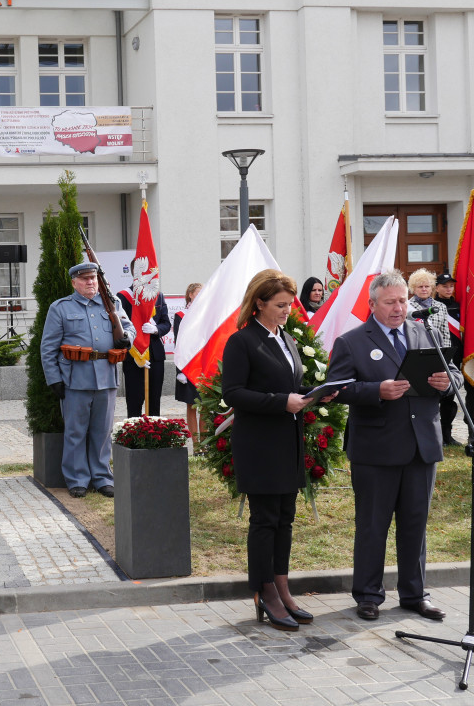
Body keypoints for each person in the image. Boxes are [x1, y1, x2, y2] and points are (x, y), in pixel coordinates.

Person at [327, 269, 457, 622]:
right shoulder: (352, 341)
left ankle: (415, 594)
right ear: (372, 304)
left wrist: (446, 383)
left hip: (421, 447)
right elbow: (335, 389)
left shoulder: (424, 331)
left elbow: (454, 374)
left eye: (402, 300)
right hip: (376, 449)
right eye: (391, 302)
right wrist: (375, 391)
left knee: (415, 524)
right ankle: (368, 595)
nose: (399, 308)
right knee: (373, 525)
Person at [222, 269, 321, 632]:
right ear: (259, 303)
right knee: (264, 520)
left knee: (285, 518)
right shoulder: (243, 341)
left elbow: (288, 383)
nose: (287, 310)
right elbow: (232, 393)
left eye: (290, 304)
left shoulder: (286, 339)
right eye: (280, 305)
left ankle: (282, 584)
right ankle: (265, 590)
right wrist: (283, 402)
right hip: (260, 445)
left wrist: (317, 393)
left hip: (287, 443)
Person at [40, 262, 134, 499]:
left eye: (93, 278)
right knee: (75, 432)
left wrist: (127, 339)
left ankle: (102, 477)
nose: (90, 282)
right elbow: (48, 347)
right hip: (75, 378)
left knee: (102, 432)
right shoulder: (60, 308)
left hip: (106, 375)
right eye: (84, 279)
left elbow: (128, 327)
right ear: (74, 283)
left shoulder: (112, 303)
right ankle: (77, 479)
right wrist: (54, 379)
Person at [118, 287, 170, 418]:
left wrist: (156, 329)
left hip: (155, 354)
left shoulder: (158, 295)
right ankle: (134, 434)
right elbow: (118, 325)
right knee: (134, 400)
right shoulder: (123, 296)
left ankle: (154, 433)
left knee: (154, 399)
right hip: (133, 355)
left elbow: (166, 323)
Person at [435, 272, 462, 444]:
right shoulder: (433, 307)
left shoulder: (460, 306)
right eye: (445, 286)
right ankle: (435, 434)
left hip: (457, 357)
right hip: (439, 357)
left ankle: (447, 434)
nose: (448, 289)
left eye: (451, 286)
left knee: (450, 398)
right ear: (436, 288)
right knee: (435, 397)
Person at [174, 283, 203, 442]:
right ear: (190, 294)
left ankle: (205, 444)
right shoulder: (181, 315)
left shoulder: (207, 315)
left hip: (203, 366)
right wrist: (180, 371)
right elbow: (179, 343)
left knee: (205, 407)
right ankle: (196, 444)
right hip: (188, 365)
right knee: (192, 406)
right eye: (198, 293)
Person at [407, 268, 450, 350]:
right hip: (416, 349)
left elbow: (445, 334)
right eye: (420, 287)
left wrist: (447, 355)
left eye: (427, 286)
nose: (424, 289)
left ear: (432, 288)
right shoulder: (407, 306)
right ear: (413, 289)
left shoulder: (441, 306)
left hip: (437, 349)